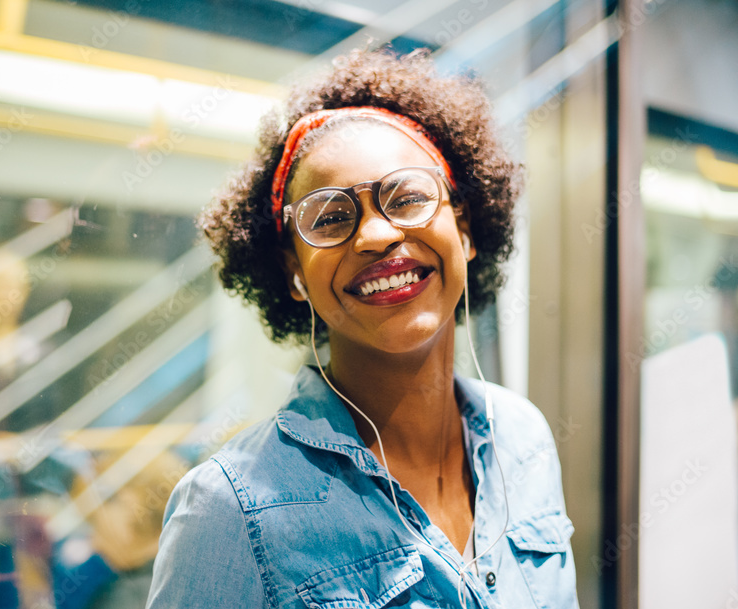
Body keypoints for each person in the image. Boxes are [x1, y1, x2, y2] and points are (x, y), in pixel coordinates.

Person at [145, 48, 578, 608]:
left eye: (410, 197)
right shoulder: (229, 509)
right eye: (329, 218)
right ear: (294, 273)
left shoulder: (525, 439)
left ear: (465, 229)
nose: (375, 235)